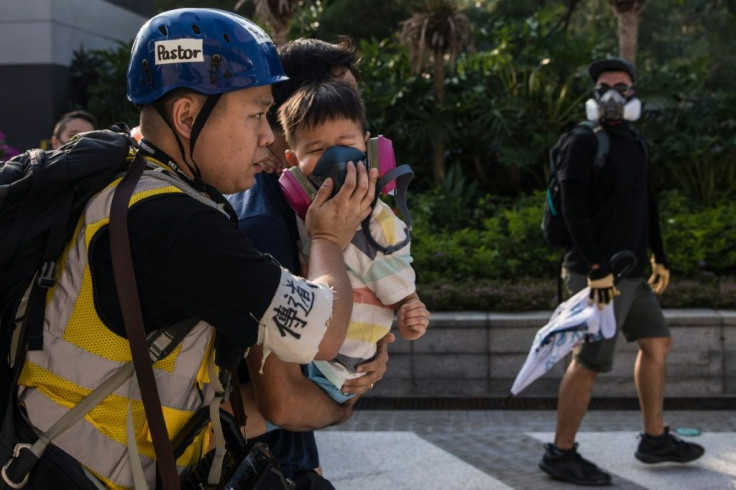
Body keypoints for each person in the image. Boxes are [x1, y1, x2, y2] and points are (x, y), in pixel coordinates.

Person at [9, 9, 377, 489]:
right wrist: (329, 237)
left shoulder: (129, 183)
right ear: (186, 116)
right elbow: (322, 331)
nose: (268, 135)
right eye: (255, 113)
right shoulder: (172, 223)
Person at [538, 57, 705, 486]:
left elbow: (648, 204)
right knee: (590, 362)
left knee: (658, 343)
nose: (614, 94)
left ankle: (654, 439)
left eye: (623, 86)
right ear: (595, 95)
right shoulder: (582, 142)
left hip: (631, 273)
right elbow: (573, 212)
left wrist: (660, 256)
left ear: (634, 92)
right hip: (595, 274)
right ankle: (560, 453)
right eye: (605, 86)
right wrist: (595, 268)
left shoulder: (636, 142)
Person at [225, 37, 378, 489]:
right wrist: (342, 407)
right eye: (342, 102)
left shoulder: (303, 209)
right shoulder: (262, 221)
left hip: (287, 461)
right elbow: (284, 401)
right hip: (263, 469)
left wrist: (374, 352)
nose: (355, 125)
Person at [274, 80, 429, 407]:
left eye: (346, 143)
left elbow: (396, 269)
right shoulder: (291, 211)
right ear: (291, 160)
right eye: (316, 150)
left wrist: (409, 309)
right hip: (307, 354)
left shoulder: (376, 218)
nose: (336, 157)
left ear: (370, 150)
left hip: (342, 366)